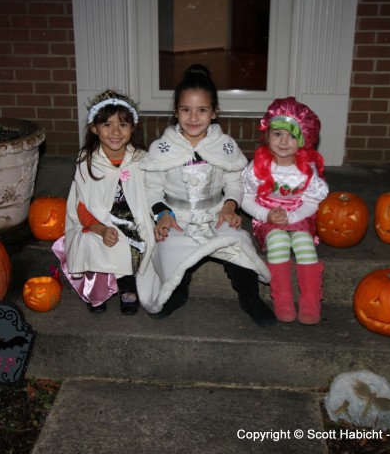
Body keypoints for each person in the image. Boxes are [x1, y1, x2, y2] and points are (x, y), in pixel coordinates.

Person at [139, 64, 277, 327]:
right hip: (177, 219)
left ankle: (250, 298)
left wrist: (229, 206)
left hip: (216, 215)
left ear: (214, 113)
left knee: (238, 245)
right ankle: (176, 294)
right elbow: (151, 188)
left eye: (202, 110)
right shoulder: (162, 149)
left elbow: (235, 181)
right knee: (167, 250)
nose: (193, 117)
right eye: (185, 109)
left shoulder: (223, 146)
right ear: (176, 111)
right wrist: (163, 214)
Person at [55, 90, 159, 315]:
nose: (115, 132)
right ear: (94, 128)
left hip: (132, 218)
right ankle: (97, 288)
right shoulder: (87, 162)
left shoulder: (141, 159)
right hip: (97, 221)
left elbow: (151, 195)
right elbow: (80, 206)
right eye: (107, 124)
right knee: (94, 242)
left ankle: (127, 284)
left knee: (136, 241)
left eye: (123, 124)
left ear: (132, 128)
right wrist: (99, 228)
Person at [241, 97, 328, 324]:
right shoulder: (259, 166)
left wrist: (293, 216)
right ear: (267, 135)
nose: (283, 141)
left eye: (291, 135)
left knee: (303, 243)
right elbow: (246, 199)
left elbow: (311, 202)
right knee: (279, 241)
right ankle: (283, 297)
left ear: (303, 139)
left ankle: (310, 299)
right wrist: (264, 215)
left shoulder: (306, 170)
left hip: (299, 215)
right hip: (267, 215)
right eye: (277, 134)